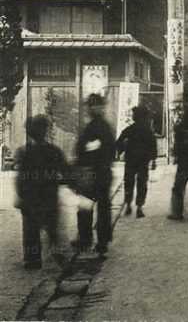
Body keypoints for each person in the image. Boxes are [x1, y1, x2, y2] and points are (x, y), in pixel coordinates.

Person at [14, 115, 69, 269]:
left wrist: (20, 196)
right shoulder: (54, 151)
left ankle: (32, 260)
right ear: (45, 131)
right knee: (52, 228)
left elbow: (20, 179)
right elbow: (66, 172)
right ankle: (57, 252)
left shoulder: (22, 152)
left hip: (30, 199)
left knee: (31, 230)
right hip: (49, 197)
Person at [72, 93, 116, 255]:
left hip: (91, 173)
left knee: (85, 207)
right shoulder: (105, 127)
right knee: (103, 208)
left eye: (93, 105)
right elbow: (112, 150)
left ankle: (85, 238)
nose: (91, 108)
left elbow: (85, 150)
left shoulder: (95, 127)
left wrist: (81, 162)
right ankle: (102, 241)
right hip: (103, 173)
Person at [116, 106, 157, 219]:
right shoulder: (148, 131)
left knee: (129, 182)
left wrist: (120, 152)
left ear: (136, 117)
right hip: (143, 161)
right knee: (142, 183)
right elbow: (153, 145)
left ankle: (128, 204)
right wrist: (153, 160)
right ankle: (139, 207)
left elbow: (119, 142)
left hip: (131, 160)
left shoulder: (130, 129)